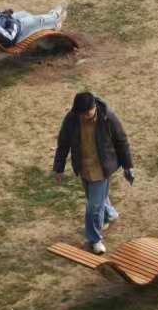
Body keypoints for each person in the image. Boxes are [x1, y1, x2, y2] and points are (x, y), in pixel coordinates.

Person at [52, 91, 134, 253]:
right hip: (84, 167)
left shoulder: (108, 117)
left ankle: (94, 239)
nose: (83, 117)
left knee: (93, 207)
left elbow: (121, 140)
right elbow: (63, 143)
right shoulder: (72, 118)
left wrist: (128, 166)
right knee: (95, 200)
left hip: (101, 168)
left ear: (94, 107)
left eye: (86, 113)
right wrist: (59, 168)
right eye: (80, 114)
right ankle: (110, 214)